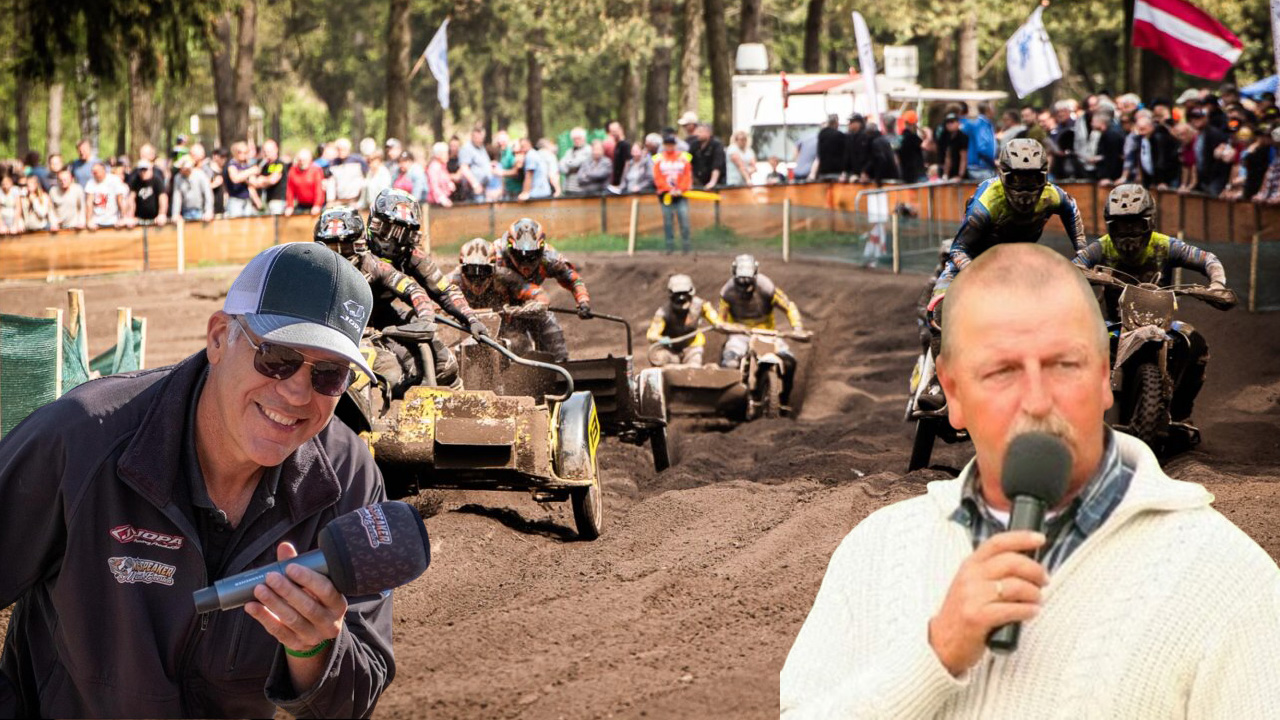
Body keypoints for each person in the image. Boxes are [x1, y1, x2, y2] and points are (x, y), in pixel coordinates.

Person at [781, 242, 1280, 717]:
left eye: (1064, 364)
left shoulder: (1230, 582)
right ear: (952, 393)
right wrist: (934, 655)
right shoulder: (874, 552)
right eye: (1002, 372)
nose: (1038, 401)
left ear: (1106, 375)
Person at [0, 242, 396, 718]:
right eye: (277, 357)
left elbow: (357, 696)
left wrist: (315, 651)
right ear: (218, 338)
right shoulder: (82, 440)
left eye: (329, 375)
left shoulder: (348, 481)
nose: (295, 392)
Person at [1072, 184, 1232, 427]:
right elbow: (1074, 264)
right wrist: (1084, 275)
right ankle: (1078, 411)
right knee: (1079, 347)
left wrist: (1217, 284)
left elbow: (1207, 259)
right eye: (1119, 226)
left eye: (1134, 225)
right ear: (1109, 226)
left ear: (1149, 223)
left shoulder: (1164, 245)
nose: (1127, 234)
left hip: (1162, 325)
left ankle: (1181, 412)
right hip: (1115, 324)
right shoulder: (1102, 246)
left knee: (1196, 344)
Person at [930, 139, 1087, 312]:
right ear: (1004, 175)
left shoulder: (1052, 194)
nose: (1025, 186)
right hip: (975, 259)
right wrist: (975, 274)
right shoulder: (985, 204)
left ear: (1044, 176)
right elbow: (958, 250)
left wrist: (1082, 253)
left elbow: (1070, 209)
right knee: (939, 309)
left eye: (1033, 177)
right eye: (1018, 178)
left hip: (1019, 258)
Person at [313, 208, 446, 395]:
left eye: (345, 247)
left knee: (402, 370)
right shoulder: (309, 270)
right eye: (332, 248)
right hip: (322, 341)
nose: (340, 255)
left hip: (369, 336)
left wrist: (425, 318)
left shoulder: (374, 265)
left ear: (359, 245)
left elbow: (412, 288)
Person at [364, 188, 487, 384]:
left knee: (444, 366)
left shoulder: (412, 255)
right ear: (374, 223)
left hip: (385, 317)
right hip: (350, 322)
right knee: (401, 371)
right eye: (388, 230)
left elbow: (444, 289)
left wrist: (471, 318)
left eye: (403, 234)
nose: (393, 241)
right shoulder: (357, 250)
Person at [494, 218, 591, 363]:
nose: (525, 263)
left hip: (535, 304)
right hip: (500, 310)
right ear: (509, 248)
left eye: (532, 255)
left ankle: (561, 372)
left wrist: (583, 301)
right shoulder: (495, 257)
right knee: (517, 345)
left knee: (553, 336)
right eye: (519, 255)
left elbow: (572, 279)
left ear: (540, 249)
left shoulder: (549, 258)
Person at [718, 254, 807, 409]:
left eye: (748, 281)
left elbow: (788, 306)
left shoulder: (767, 287)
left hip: (767, 333)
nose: (745, 286)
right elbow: (721, 319)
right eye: (741, 281)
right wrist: (726, 327)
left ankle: (784, 399)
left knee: (789, 361)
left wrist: (797, 327)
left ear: (755, 275)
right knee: (729, 362)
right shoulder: (727, 292)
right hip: (740, 334)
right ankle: (727, 403)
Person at [449, 238, 560, 358]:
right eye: (470, 270)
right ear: (461, 268)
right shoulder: (451, 281)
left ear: (493, 267)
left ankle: (550, 361)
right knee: (446, 352)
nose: (477, 279)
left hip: (504, 332)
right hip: (465, 331)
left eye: (484, 270)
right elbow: (431, 296)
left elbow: (536, 292)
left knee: (520, 343)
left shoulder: (505, 276)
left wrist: (538, 304)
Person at [646, 274, 723, 367]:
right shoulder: (663, 312)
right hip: (671, 350)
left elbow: (716, 321)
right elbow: (651, 334)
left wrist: (718, 324)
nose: (681, 298)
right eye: (677, 295)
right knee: (659, 360)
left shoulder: (700, 306)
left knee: (694, 368)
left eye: (684, 294)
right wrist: (661, 339)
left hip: (692, 347)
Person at [653, 134, 693, 254]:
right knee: (668, 222)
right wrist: (667, 189)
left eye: (672, 144)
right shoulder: (658, 159)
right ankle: (669, 247)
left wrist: (681, 189)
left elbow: (687, 176)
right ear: (664, 145)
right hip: (665, 195)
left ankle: (686, 247)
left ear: (675, 145)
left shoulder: (683, 158)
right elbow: (657, 177)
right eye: (667, 144)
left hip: (681, 194)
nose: (669, 147)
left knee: (684, 220)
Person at [84, 160, 130, 230]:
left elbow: (120, 200)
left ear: (103, 170)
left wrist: (124, 218)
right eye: (93, 172)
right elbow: (89, 203)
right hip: (96, 221)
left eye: (96, 171)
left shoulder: (114, 180)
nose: (95, 174)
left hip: (113, 220)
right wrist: (88, 221)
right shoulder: (90, 183)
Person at [171, 156, 215, 222]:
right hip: (185, 211)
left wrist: (209, 211)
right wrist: (175, 213)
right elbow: (177, 197)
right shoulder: (178, 178)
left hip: (200, 211)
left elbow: (208, 193)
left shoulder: (200, 175)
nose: (181, 170)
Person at [128, 159, 169, 226]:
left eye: (145, 169)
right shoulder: (135, 181)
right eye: (141, 170)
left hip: (155, 219)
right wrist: (130, 216)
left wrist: (162, 214)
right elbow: (131, 199)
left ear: (150, 169)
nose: (143, 172)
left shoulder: (157, 180)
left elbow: (163, 197)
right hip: (139, 218)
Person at [286, 148, 326, 214]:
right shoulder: (292, 171)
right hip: (301, 204)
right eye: (300, 160)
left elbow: (319, 189)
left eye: (304, 160)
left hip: (315, 204)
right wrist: (290, 206)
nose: (302, 162)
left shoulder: (316, 170)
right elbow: (290, 190)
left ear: (310, 160)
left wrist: (317, 205)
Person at [688, 123, 726, 189]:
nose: (697, 134)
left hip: (715, 181)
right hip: (698, 180)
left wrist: (712, 182)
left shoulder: (717, 145)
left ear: (708, 133)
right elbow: (688, 162)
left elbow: (717, 165)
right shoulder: (694, 144)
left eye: (700, 132)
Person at [559, 127, 591, 194]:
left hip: (582, 188)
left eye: (579, 138)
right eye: (574, 139)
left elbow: (576, 163)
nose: (576, 141)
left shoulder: (588, 150)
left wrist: (567, 162)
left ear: (584, 138)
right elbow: (561, 166)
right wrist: (569, 168)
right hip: (568, 187)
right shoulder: (569, 151)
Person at [816, 114, 846, 181]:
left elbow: (819, 154)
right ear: (836, 123)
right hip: (836, 172)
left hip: (823, 172)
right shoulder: (840, 135)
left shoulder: (821, 134)